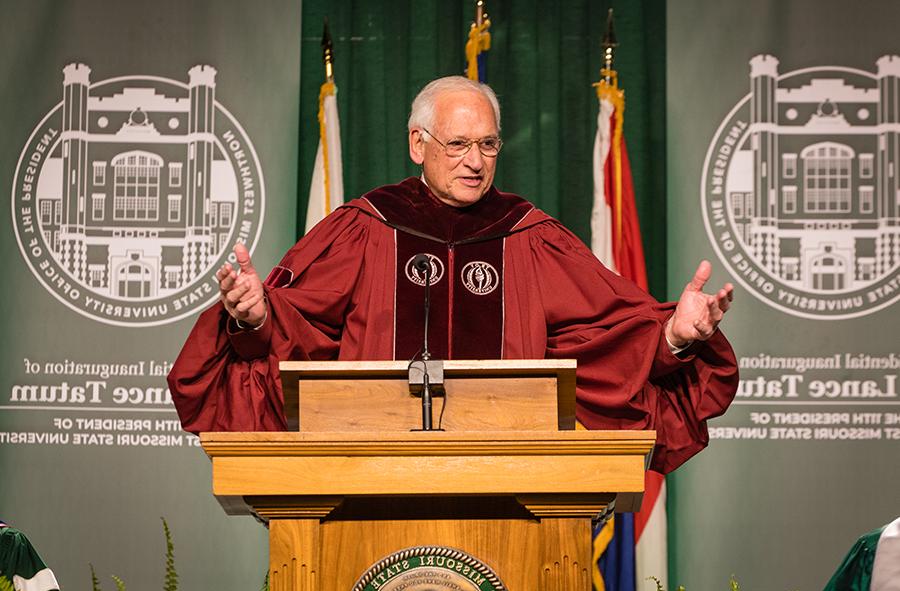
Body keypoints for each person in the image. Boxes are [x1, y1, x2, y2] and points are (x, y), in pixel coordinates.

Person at [168, 76, 738, 474]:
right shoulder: (366, 227)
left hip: (511, 474)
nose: (475, 160)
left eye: (488, 144)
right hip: (371, 471)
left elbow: (609, 333)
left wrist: (675, 336)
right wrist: (254, 315)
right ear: (418, 144)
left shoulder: (529, 236)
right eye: (459, 143)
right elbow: (299, 329)